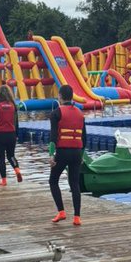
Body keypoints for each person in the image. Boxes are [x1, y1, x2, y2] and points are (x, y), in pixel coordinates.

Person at [49, 83, 85, 225]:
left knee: (53, 181)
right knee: (74, 183)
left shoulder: (56, 113)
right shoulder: (80, 113)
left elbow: (53, 136)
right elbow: (84, 137)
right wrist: (82, 155)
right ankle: (77, 217)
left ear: (60, 97)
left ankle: (61, 212)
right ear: (71, 97)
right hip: (76, 152)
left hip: (63, 151)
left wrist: (52, 155)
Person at [0, 84, 23, 186]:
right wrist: (16, 134)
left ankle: (4, 180)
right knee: (11, 155)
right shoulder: (13, 106)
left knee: (1, 158)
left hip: (0, 135)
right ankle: (17, 170)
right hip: (11, 135)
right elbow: (16, 122)